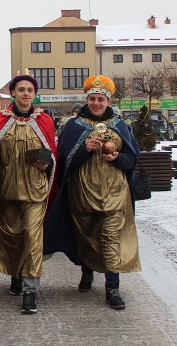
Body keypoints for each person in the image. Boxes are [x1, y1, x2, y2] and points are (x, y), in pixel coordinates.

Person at [44, 75, 141, 310]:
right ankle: (87, 271)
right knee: (86, 233)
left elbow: (132, 159)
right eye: (92, 99)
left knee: (111, 236)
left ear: (108, 101)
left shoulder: (120, 126)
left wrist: (117, 157)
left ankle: (112, 286)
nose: (96, 103)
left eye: (101, 99)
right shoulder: (73, 126)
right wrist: (85, 150)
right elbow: (64, 159)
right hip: (83, 190)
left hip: (115, 190)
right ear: (87, 100)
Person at [0, 73, 56, 314]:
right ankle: (16, 275)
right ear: (13, 93)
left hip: (35, 190)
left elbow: (51, 155)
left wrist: (46, 165)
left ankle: (30, 290)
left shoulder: (44, 121)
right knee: (12, 237)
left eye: (30, 89)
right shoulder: (1, 120)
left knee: (32, 236)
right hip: (7, 189)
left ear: (34, 93)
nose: (26, 93)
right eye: (21, 89)